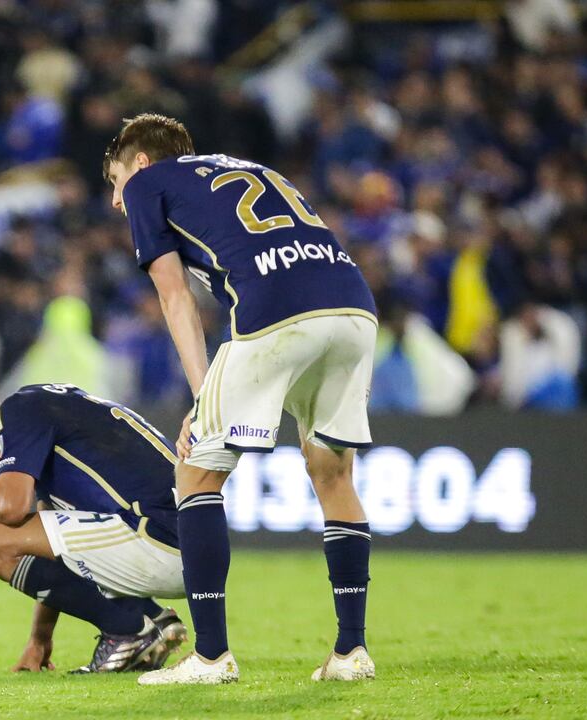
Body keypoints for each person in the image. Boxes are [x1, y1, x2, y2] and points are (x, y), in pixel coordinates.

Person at [104, 114, 379, 684]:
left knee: (195, 475)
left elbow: (174, 295)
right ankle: (351, 653)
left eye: (114, 180)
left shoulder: (147, 184)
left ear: (141, 163)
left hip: (275, 309)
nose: (116, 199)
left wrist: (204, 394)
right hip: (354, 306)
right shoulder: (249, 167)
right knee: (333, 474)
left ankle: (210, 657)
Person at [0, 384, 188, 673]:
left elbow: (10, 508)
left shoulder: (18, 410)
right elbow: (51, 550)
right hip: (189, 539)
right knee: (26, 533)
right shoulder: (46, 414)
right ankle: (148, 620)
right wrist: (40, 637)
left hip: (161, 537)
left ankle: (133, 629)